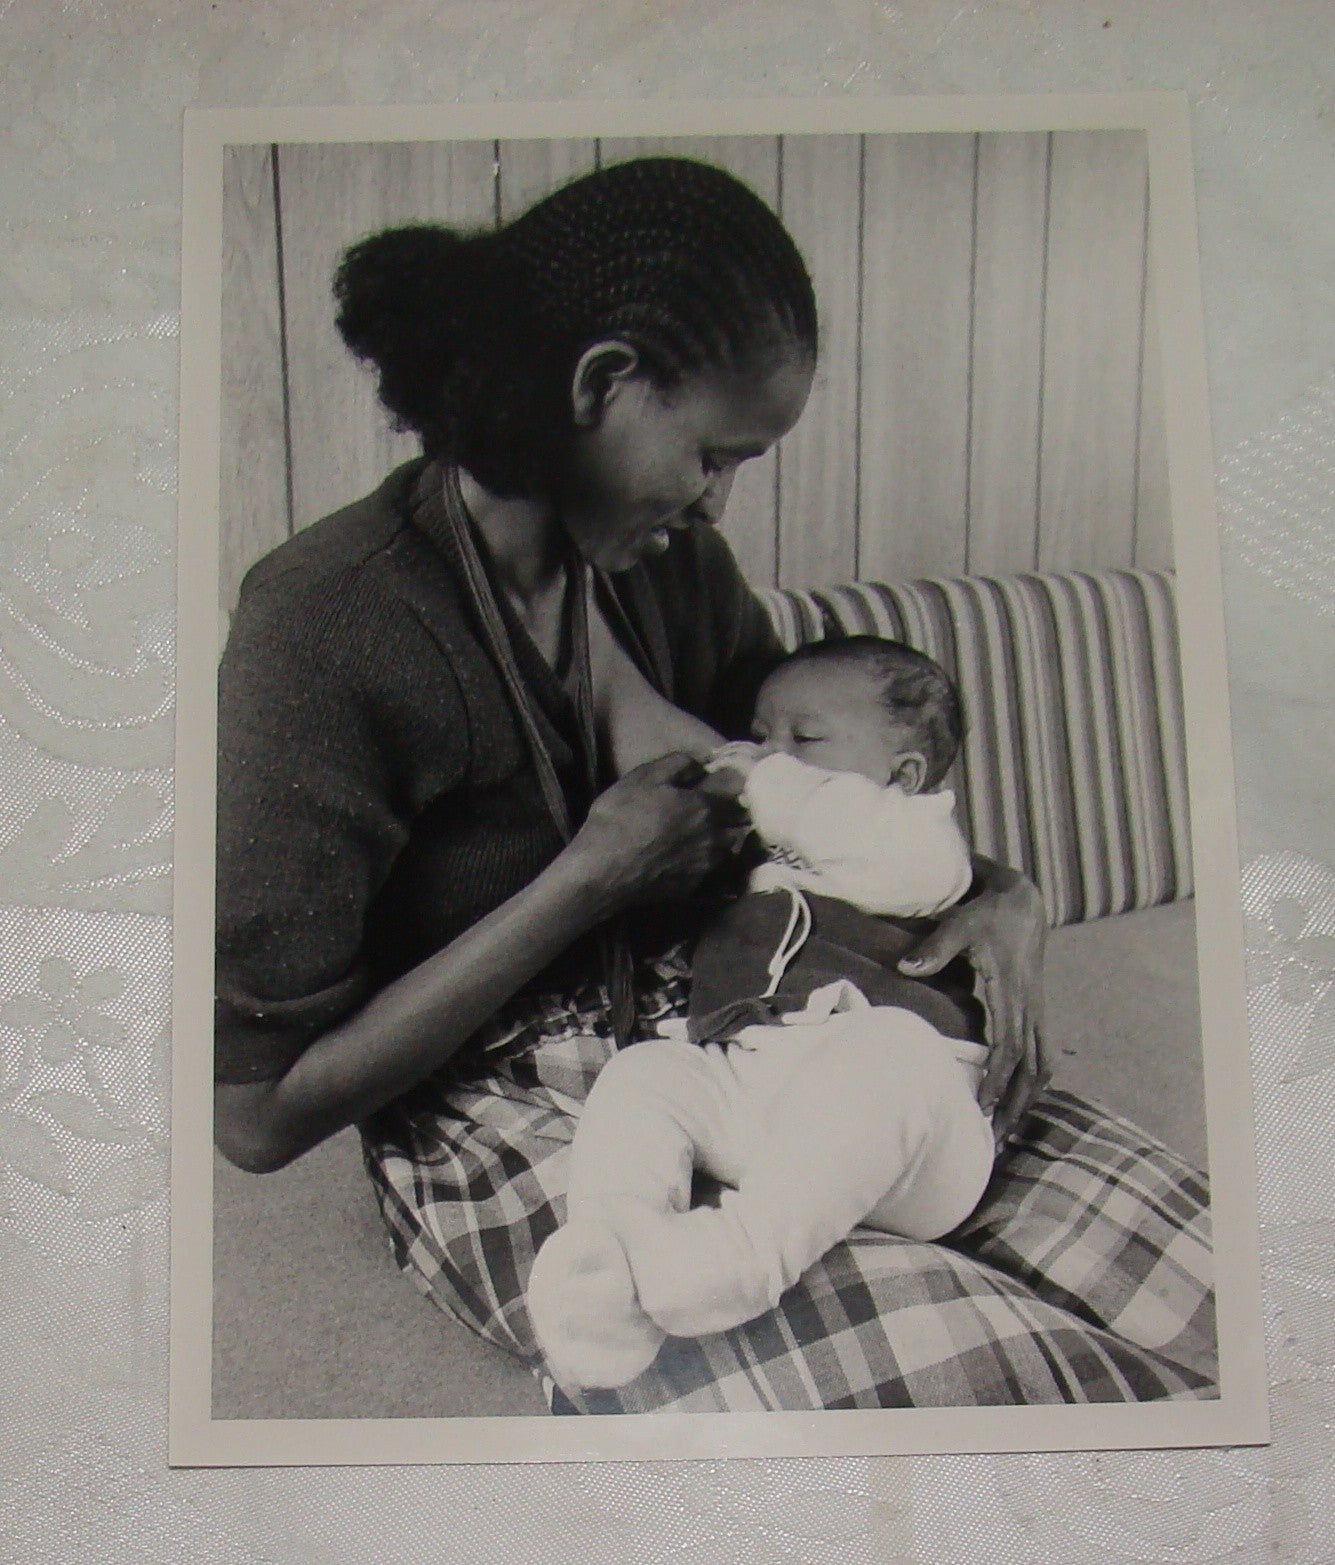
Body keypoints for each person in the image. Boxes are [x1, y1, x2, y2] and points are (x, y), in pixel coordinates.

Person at [215, 156, 1213, 1412]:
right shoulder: (324, 626)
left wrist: (1009, 890)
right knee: (968, 1379)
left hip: (775, 1003)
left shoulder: (666, 567)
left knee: (1206, 1276)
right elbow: (255, 1117)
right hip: (504, 1094)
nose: (720, 501)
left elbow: (808, 789)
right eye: (712, 455)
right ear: (600, 385)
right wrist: (585, 881)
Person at [526, 638, 999, 1391]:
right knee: (646, 1073)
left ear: (901, 775)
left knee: (890, 1045)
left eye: (804, 740)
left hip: (912, 1147)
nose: (767, 752)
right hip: (764, 1103)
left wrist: (769, 783)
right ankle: (609, 1261)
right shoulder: (774, 850)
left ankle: (740, 1258)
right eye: (762, 732)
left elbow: (884, 855)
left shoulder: (917, 838)